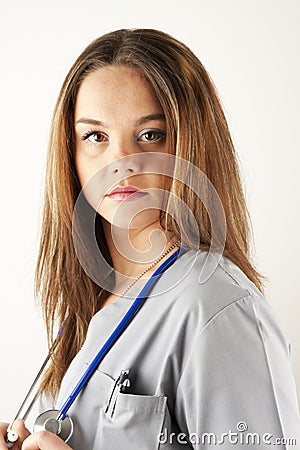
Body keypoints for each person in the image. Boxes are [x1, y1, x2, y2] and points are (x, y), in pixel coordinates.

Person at [1, 28, 300, 450]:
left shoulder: (218, 309)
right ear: (70, 152)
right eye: (95, 137)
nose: (120, 161)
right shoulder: (92, 300)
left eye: (150, 135)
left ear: (192, 144)